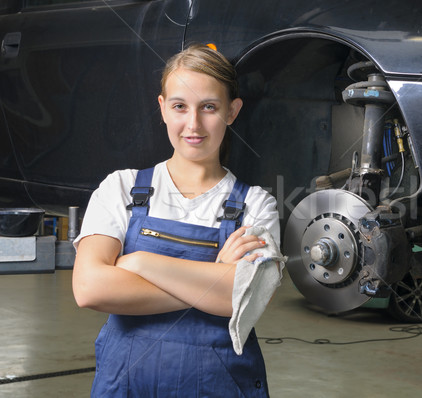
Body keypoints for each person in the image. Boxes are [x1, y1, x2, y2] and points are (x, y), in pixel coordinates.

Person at [72, 44, 280, 397]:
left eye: (209, 108)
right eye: (180, 106)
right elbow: (91, 288)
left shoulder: (256, 205)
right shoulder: (121, 187)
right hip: (125, 386)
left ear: (232, 111)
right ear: (163, 109)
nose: (193, 124)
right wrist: (211, 281)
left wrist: (139, 262)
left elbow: (239, 300)